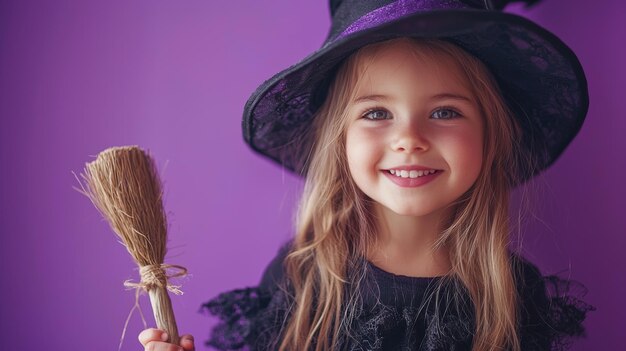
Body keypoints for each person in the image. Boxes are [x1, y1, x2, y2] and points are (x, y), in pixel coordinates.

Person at [139, 0, 595, 350]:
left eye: (444, 111)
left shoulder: (515, 294)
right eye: (377, 112)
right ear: (339, 140)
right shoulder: (302, 276)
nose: (409, 138)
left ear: (490, 134)